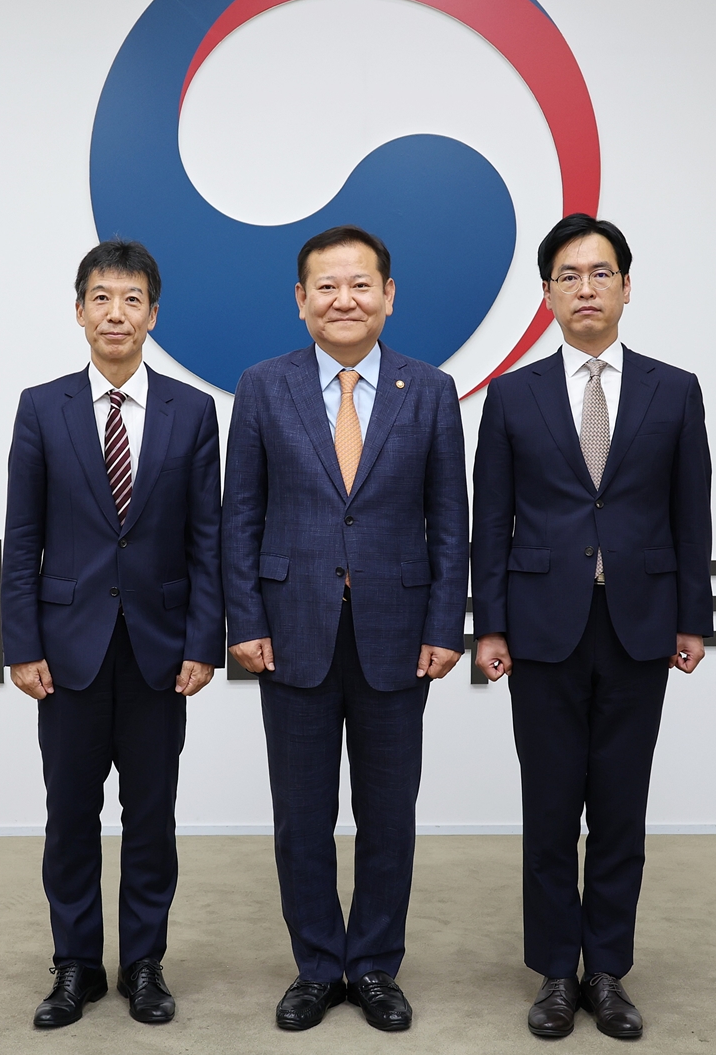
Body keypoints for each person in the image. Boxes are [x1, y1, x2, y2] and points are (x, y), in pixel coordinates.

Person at [472, 214, 712, 1040]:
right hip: (540, 630)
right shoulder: (512, 394)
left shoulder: (674, 389)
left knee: (619, 808)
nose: (585, 288)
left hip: (641, 626)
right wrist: (490, 625)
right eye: (568, 275)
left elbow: (692, 514)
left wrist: (693, 614)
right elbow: (490, 519)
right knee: (549, 807)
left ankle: (607, 969)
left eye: (600, 273)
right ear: (546, 293)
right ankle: (553, 971)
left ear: (626, 286)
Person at [222, 225, 468, 1032]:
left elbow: (450, 522)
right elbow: (242, 516)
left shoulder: (429, 390)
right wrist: (245, 619)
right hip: (290, 629)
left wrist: (445, 624)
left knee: (389, 813)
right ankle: (316, 965)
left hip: (399, 630)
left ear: (389, 296)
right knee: (301, 814)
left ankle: (374, 966)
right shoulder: (263, 387)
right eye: (326, 286)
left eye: (361, 284)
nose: (344, 299)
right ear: (300, 301)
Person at [1, 239, 223, 1029]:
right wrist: (21, 644)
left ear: (153, 313)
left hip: (161, 650)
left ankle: (145, 964)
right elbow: (22, 535)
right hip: (66, 650)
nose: (116, 312)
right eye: (101, 297)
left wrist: (205, 642)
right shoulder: (43, 406)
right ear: (79, 310)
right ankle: (74, 964)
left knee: (152, 814)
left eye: (132, 299)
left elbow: (208, 538)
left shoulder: (193, 412)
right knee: (69, 814)